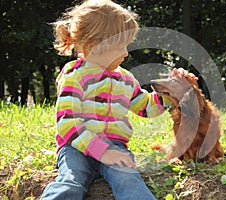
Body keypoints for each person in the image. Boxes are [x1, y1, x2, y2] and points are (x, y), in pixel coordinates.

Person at [41, 0, 196, 199]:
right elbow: (68, 125)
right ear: (94, 46)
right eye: (120, 46)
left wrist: (172, 91)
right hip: (76, 148)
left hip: (115, 146)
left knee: (129, 181)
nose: (125, 53)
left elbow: (147, 107)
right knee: (71, 182)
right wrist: (102, 152)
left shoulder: (125, 79)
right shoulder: (74, 77)